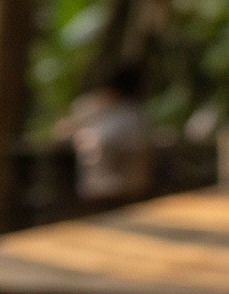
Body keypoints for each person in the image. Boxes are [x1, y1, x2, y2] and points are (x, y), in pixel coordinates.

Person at [58, 62, 156, 208]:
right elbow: (62, 133)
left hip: (116, 195)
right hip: (100, 192)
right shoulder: (91, 109)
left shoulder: (128, 118)